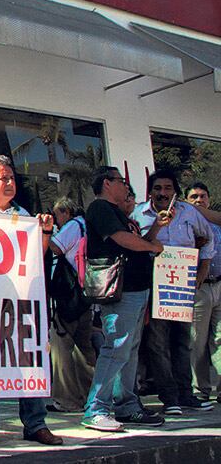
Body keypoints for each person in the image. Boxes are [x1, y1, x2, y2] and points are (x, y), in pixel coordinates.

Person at [0, 155, 63, 447]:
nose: (9, 183)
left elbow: (36, 257)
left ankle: (35, 423)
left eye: (12, 179)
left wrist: (43, 232)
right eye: (2, 178)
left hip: (19, 299)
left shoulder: (25, 214)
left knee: (29, 357)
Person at [82, 166, 165, 432]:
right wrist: (152, 245)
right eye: (121, 181)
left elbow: (135, 240)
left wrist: (155, 230)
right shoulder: (100, 208)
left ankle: (127, 404)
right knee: (116, 347)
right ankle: (96, 408)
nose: (125, 187)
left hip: (136, 288)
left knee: (128, 350)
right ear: (107, 183)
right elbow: (122, 240)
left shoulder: (119, 213)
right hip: (122, 289)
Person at [132, 170, 215, 415]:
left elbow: (208, 238)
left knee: (182, 341)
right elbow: (139, 243)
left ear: (175, 191)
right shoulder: (139, 213)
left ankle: (186, 394)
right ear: (150, 191)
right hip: (155, 283)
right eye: (158, 188)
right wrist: (157, 227)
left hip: (183, 284)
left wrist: (203, 270)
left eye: (168, 188)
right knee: (157, 343)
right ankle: (169, 397)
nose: (163, 193)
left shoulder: (189, 212)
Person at [48, 197, 95, 413]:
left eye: (57, 216)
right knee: (84, 348)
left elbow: (56, 248)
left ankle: (67, 399)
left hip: (69, 293)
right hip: (87, 292)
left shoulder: (72, 226)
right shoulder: (88, 225)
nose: (56, 221)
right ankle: (91, 395)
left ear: (65, 212)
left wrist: (44, 234)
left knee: (62, 345)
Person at [186, 182, 221, 402]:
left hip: (220, 285)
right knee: (196, 341)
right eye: (193, 197)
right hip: (198, 288)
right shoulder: (185, 224)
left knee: (219, 340)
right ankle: (200, 390)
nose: (199, 200)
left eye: (202, 196)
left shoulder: (217, 223)